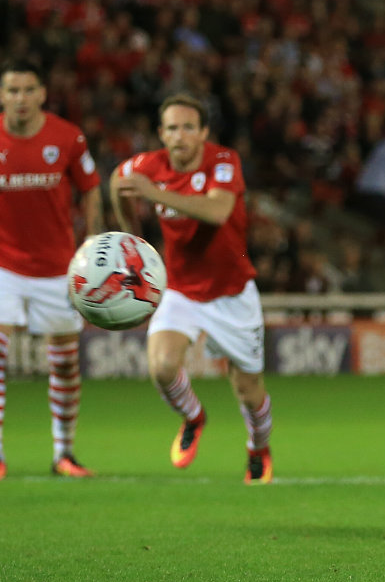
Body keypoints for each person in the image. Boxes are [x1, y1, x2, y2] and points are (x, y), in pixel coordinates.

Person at [110, 94, 274, 484]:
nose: (179, 136)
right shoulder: (148, 166)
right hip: (181, 289)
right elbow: (118, 182)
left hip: (232, 292)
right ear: (161, 134)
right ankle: (194, 417)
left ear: (203, 132)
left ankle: (258, 449)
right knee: (162, 367)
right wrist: (132, 238)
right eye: (171, 128)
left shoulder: (223, 161)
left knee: (249, 391)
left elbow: (217, 211)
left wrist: (154, 194)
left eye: (188, 127)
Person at [0, 59, 103, 482]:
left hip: (58, 268)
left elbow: (90, 192)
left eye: (28, 90)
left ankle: (64, 453)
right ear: (0, 96)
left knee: (65, 362)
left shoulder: (68, 137)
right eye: (12, 91)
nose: (21, 98)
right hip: (1, 265)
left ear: (42, 93)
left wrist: (93, 250)